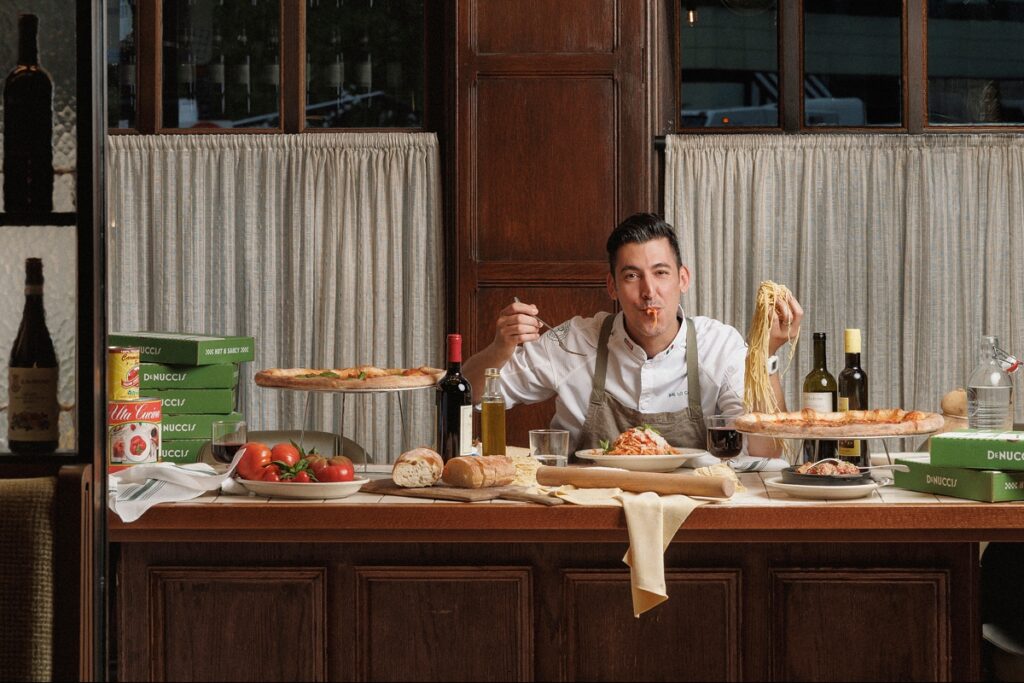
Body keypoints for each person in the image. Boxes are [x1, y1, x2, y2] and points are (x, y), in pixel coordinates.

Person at [463, 212, 803, 457]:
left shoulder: (719, 345)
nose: (648, 292)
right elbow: (468, 395)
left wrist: (766, 355)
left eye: (661, 273)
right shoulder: (574, 341)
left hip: (694, 516)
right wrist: (499, 349)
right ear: (612, 286)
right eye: (631, 276)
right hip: (586, 514)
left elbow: (767, 450)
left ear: (683, 279)